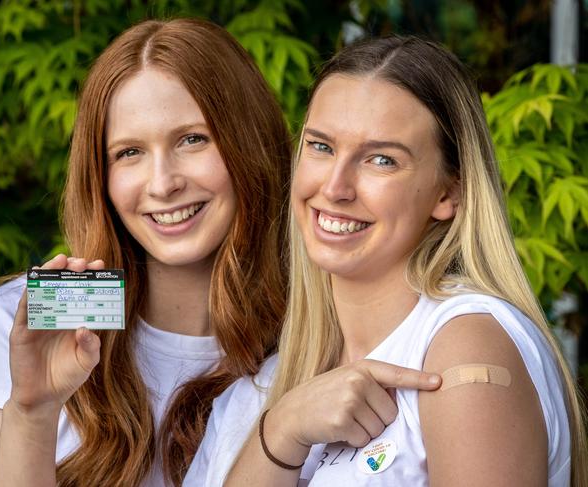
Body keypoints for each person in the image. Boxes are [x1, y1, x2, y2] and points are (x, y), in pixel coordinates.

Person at [187, 36, 587, 487]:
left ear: (449, 192)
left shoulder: (468, 343)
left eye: (381, 160)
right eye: (321, 147)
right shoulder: (261, 391)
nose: (336, 187)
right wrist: (282, 433)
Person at [0, 18, 294, 487]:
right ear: (99, 177)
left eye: (192, 139)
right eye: (129, 152)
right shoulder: (25, 324)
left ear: (251, 143)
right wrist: (32, 411)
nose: (163, 183)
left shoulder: (312, 331)